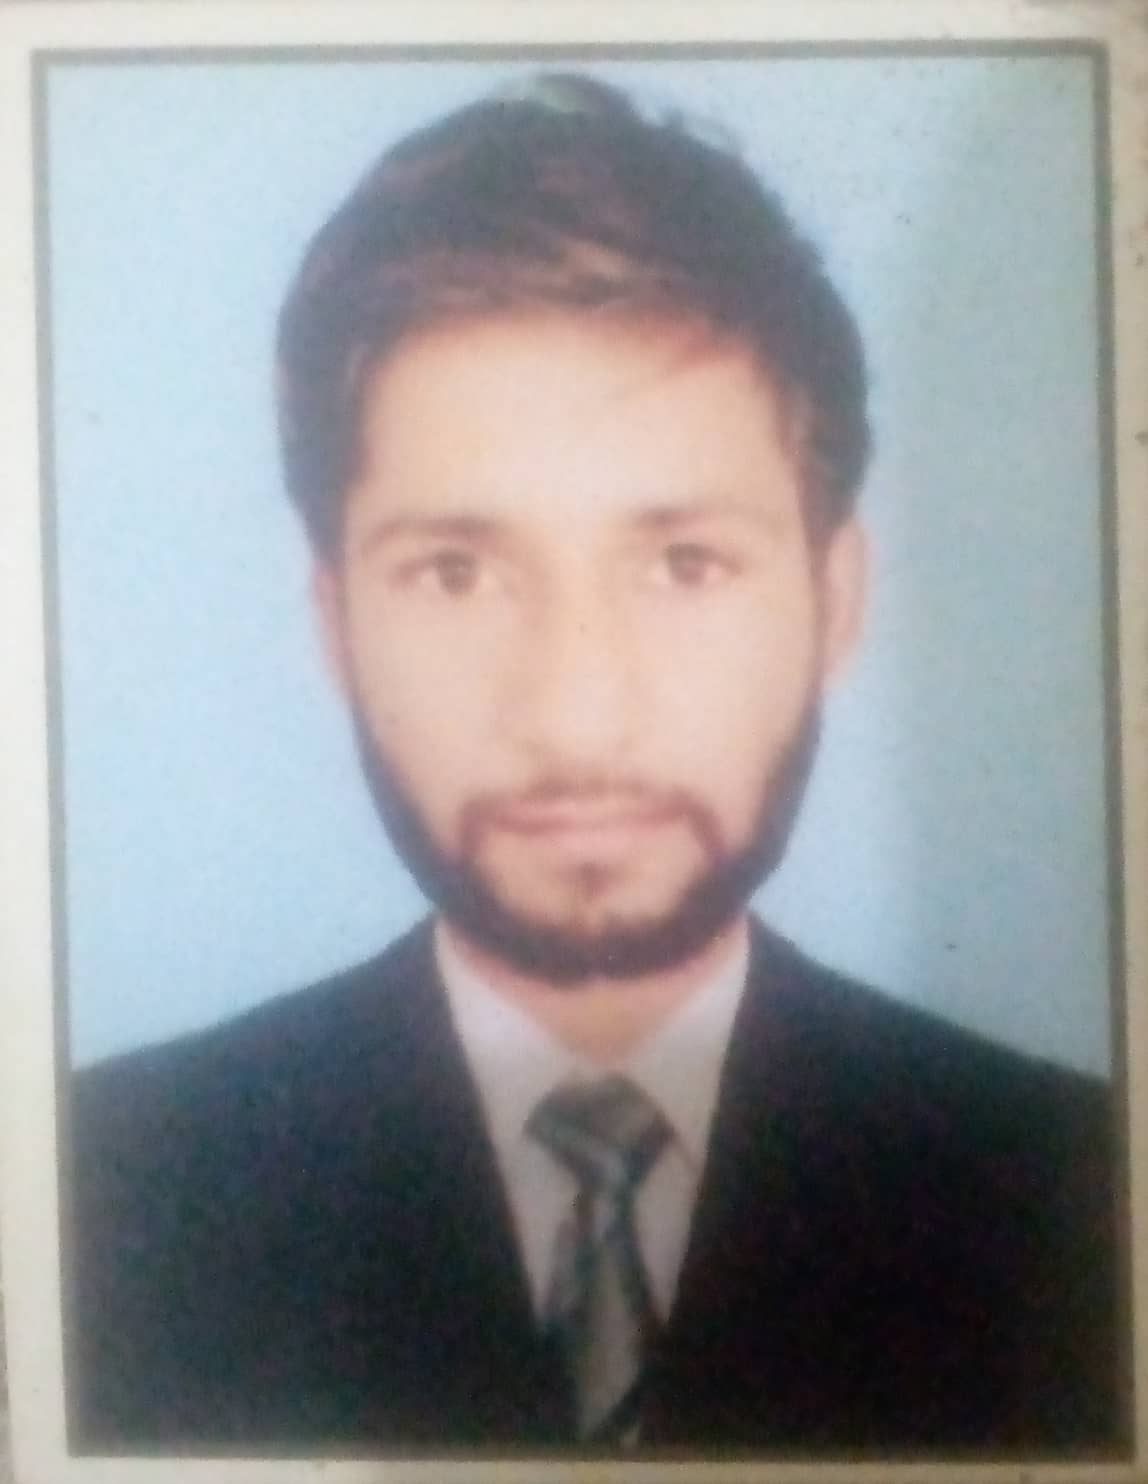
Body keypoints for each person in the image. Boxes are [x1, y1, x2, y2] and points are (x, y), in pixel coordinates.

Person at [69, 74, 1122, 1458]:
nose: (575, 719)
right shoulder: (94, 1193)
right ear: (335, 624)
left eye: (684, 563)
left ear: (836, 602)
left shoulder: (1082, 1198)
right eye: (456, 573)